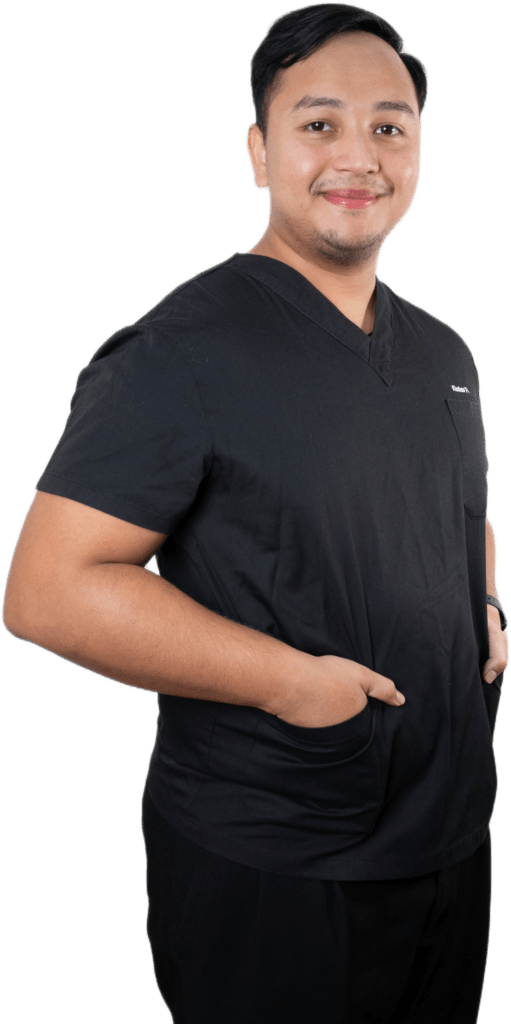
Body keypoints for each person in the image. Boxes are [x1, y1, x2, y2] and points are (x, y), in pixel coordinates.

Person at [2, 2, 509, 1021]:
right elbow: (48, 590)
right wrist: (290, 684)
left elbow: (461, 509)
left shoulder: (442, 353)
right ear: (258, 152)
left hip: (446, 840)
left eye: (389, 126)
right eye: (318, 124)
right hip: (277, 860)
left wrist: (485, 604)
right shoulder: (179, 350)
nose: (358, 155)